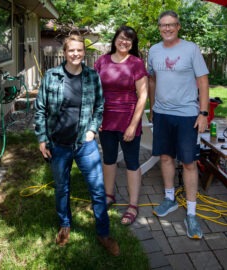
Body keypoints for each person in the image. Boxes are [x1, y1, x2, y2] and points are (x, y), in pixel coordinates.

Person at [34, 34, 119, 256]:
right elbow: (40, 109)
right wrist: (42, 138)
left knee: (98, 191)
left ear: (84, 52)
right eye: (71, 50)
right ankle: (65, 225)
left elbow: (100, 106)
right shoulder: (51, 76)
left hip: (84, 144)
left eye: (79, 50)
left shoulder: (92, 77)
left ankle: (103, 233)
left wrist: (92, 129)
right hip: (58, 144)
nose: (76, 54)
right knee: (62, 188)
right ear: (65, 52)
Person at [148, 11, 209, 239]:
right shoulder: (153, 50)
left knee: (189, 162)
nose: (167, 29)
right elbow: (152, 79)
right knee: (165, 157)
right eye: (163, 25)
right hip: (162, 113)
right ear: (159, 28)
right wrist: (152, 106)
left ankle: (191, 214)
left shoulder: (191, 49)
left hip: (187, 114)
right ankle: (169, 198)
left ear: (178, 26)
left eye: (171, 25)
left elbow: (203, 81)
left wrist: (203, 113)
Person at [94, 26, 148, 225]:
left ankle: (133, 205)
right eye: (121, 38)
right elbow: (94, 91)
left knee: (132, 162)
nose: (124, 42)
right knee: (108, 160)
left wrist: (133, 125)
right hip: (105, 121)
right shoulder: (102, 61)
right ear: (115, 39)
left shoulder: (136, 64)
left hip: (128, 121)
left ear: (133, 44)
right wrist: (95, 118)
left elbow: (143, 96)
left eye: (129, 40)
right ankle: (109, 196)